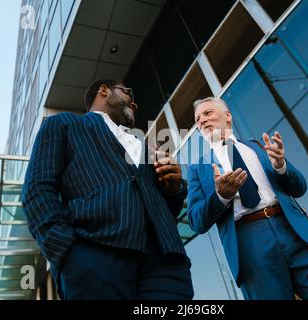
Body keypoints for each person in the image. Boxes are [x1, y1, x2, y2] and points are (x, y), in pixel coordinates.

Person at [22, 79, 193, 300]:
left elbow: (167, 209)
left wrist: (174, 187)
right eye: (128, 92)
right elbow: (37, 189)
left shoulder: (146, 146)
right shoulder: (63, 124)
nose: (135, 103)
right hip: (95, 256)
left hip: (164, 262)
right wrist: (66, 253)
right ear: (104, 91)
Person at [187, 97, 308, 300]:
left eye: (208, 113)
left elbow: (300, 188)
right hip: (250, 247)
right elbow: (196, 221)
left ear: (227, 116)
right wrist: (221, 195)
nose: (202, 120)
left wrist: (281, 166)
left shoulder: (259, 148)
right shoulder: (198, 169)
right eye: (197, 119)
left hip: (296, 234)